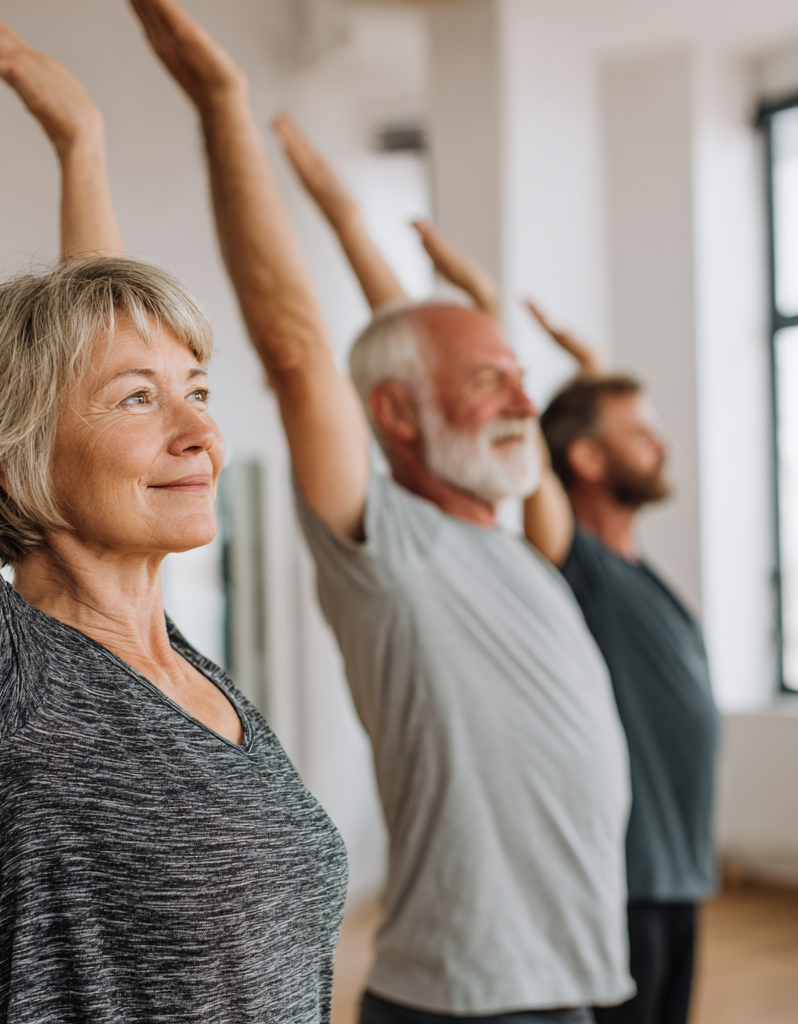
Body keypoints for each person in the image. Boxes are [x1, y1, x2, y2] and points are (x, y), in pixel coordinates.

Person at [0, 2, 348, 1020]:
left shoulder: (171, 662)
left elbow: (90, 370)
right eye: (142, 398)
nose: (199, 433)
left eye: (199, 392)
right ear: (14, 461)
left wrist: (82, 148)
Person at [129, 5, 633, 1022]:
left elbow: (418, 358)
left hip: (569, 983)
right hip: (466, 1000)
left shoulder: (525, 549)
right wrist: (224, 103)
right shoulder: (391, 551)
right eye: (493, 382)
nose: (523, 403)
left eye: (518, 379)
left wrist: (373, 240)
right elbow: (300, 354)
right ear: (396, 417)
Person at [524, 305, 720, 1024]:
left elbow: (588, 428)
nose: (662, 444)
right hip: (624, 880)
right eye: (641, 434)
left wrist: (593, 366)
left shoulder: (634, 565)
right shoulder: (577, 562)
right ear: (587, 460)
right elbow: (536, 467)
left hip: (678, 874)